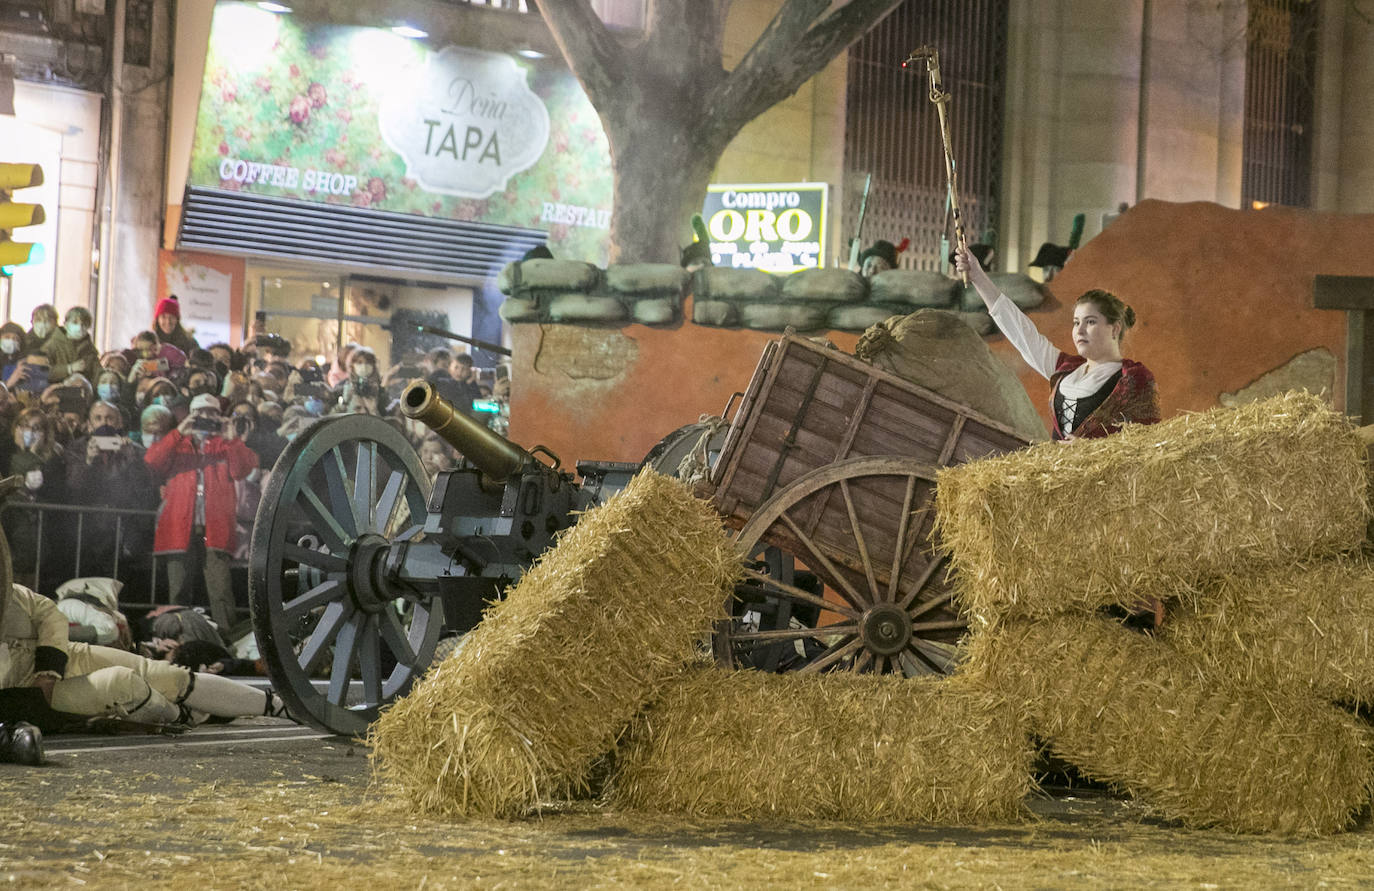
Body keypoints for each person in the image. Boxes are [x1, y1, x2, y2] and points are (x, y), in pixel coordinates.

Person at [0, 582, 289, 743]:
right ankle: (182, 715)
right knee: (122, 684)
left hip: (59, 657)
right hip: (28, 694)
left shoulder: (9, 587)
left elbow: (46, 611)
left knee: (163, 674)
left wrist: (48, 668)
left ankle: (279, 705)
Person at [956, 244, 1160, 442]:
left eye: (1090, 322)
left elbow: (1147, 446)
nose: (1079, 330)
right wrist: (977, 276)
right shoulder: (1067, 369)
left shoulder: (1134, 379)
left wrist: (1094, 450)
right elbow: (1023, 334)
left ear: (1114, 328)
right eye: (1076, 322)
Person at [144, 393, 258, 632]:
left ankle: (227, 639)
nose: (206, 418)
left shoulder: (225, 445)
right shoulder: (178, 443)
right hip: (179, 527)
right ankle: (175, 636)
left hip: (215, 528)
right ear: (191, 415)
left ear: (220, 417)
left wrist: (232, 439)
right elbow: (152, 460)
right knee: (178, 589)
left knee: (220, 589)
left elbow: (243, 470)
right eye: (200, 413)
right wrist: (179, 431)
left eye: (212, 413)